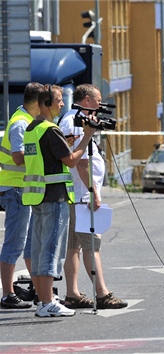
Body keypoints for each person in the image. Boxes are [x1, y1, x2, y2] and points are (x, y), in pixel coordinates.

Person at [22, 84, 98, 317]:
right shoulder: (50, 129)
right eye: (59, 100)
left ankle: (44, 300)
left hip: (38, 196)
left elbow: (48, 156)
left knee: (39, 249)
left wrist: (67, 141)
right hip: (54, 197)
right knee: (50, 251)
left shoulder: (33, 128)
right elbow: (72, 161)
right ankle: (47, 303)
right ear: (47, 104)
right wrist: (87, 136)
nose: (63, 104)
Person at [58, 84, 128, 309]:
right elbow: (80, 162)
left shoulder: (75, 119)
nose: (100, 106)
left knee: (73, 247)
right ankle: (102, 293)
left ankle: (72, 294)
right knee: (91, 245)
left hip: (77, 193)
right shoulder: (75, 121)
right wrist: (93, 191)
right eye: (97, 101)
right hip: (81, 194)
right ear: (86, 99)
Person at [0, 82, 44, 309]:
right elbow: (18, 157)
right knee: (14, 244)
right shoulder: (20, 124)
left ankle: (37, 289)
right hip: (15, 189)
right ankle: (7, 294)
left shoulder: (27, 121)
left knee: (28, 245)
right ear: (37, 102)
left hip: (22, 189)